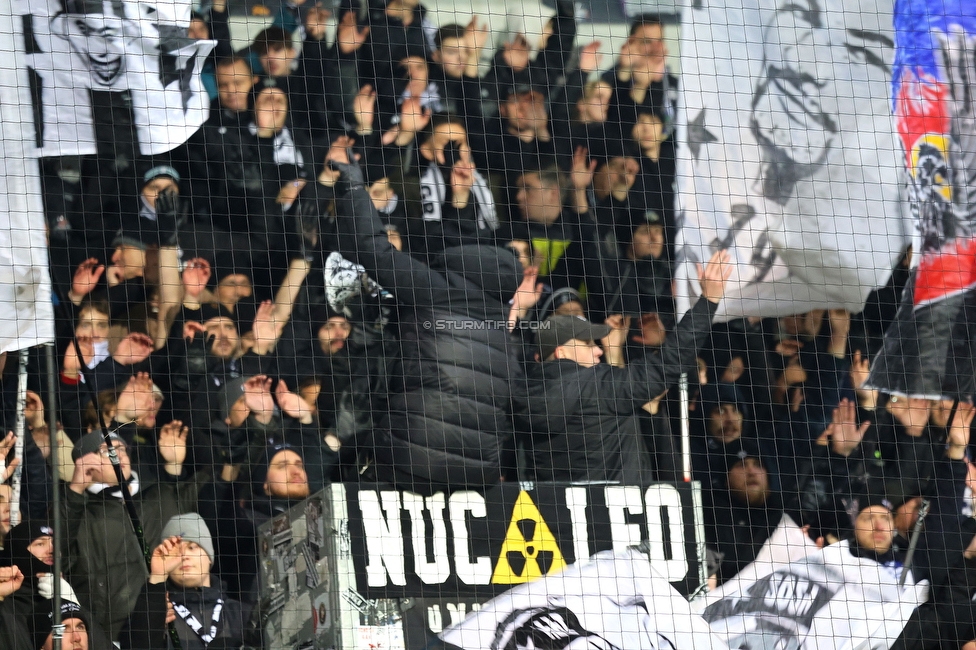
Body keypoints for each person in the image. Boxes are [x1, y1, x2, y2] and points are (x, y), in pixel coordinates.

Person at [330, 149, 533, 487]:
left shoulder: (438, 289)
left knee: (344, 465)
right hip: (479, 473)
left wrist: (354, 189)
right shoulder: (501, 322)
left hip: (413, 457)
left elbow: (374, 250)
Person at [516, 250, 731, 483]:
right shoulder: (596, 387)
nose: (597, 349)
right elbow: (667, 363)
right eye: (588, 344)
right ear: (561, 352)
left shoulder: (523, 397)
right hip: (622, 515)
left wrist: (517, 311)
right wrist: (708, 301)